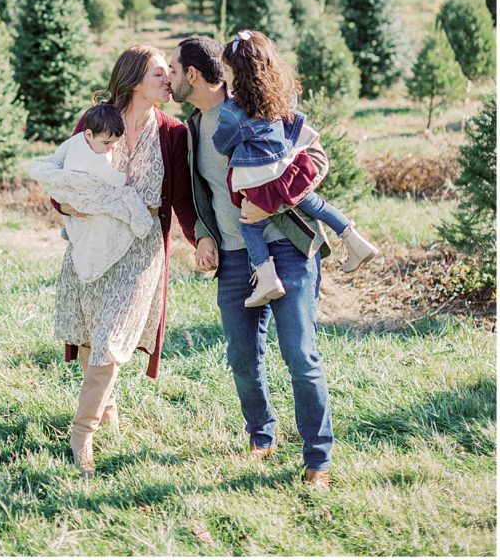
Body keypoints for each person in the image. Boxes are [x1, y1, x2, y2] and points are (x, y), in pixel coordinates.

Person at [168, 34, 334, 490]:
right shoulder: (193, 130)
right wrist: (203, 236)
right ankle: (261, 435)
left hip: (286, 248)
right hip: (236, 258)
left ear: (195, 76)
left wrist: (271, 200)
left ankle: (318, 457)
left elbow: (316, 157)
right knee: (243, 358)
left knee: (299, 355)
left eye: (174, 70)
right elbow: (195, 196)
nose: (170, 78)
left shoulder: (260, 103)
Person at [30, 46, 198, 476]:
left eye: (168, 73)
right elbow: (65, 170)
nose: (169, 80)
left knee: (111, 339)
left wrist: (202, 240)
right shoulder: (95, 120)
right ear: (135, 79)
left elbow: (181, 198)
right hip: (91, 243)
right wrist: (65, 207)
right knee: (90, 336)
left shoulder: (173, 133)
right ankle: (107, 407)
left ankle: (81, 432)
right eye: (160, 74)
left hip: (140, 252)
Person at [216, 30, 379, 307]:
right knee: (313, 202)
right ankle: (354, 239)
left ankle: (266, 278)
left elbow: (222, 144)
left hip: (261, 179)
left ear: (238, 74)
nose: (225, 76)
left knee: (250, 224)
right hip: (288, 168)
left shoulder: (233, 112)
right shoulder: (282, 95)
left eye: (227, 70)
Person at [30, 102, 155, 284]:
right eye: (106, 142)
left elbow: (60, 154)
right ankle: (80, 243)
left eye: (115, 142)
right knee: (98, 215)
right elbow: (109, 176)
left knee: (84, 218)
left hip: (76, 191)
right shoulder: (95, 158)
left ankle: (70, 230)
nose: (111, 147)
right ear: (89, 134)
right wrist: (125, 179)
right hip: (81, 187)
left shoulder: (77, 140)